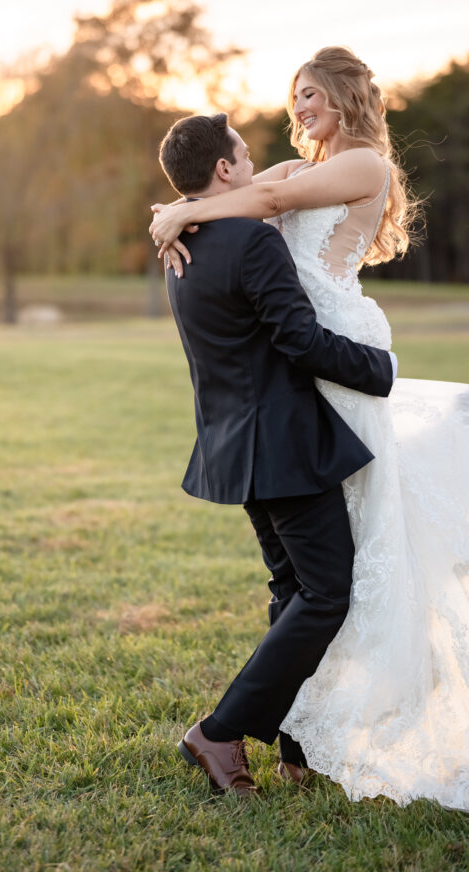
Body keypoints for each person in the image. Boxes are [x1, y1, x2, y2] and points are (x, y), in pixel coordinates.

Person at [149, 47, 469, 816]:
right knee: (316, 581)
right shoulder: (299, 172)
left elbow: (256, 199)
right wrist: (178, 208)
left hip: (336, 348)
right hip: (301, 369)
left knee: (347, 557)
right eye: (293, 95)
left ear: (343, 96)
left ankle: (274, 736)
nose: (298, 108)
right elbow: (245, 190)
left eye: (310, 94)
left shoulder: (364, 164)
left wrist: (179, 213)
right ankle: (292, 741)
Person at [157, 111, 396, 797]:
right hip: (284, 443)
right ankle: (218, 731)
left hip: (232, 443)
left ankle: (298, 748)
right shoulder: (251, 240)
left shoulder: (181, 245)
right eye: (243, 156)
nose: (252, 165)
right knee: (326, 594)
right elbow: (299, 340)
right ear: (224, 169)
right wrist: (380, 369)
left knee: (293, 593)